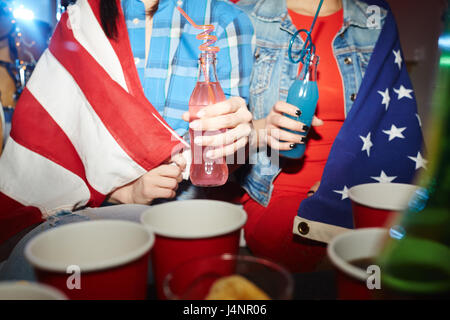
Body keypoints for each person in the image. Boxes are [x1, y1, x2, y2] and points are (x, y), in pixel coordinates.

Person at [0, 0, 254, 278]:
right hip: (96, 222)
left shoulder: (225, 21)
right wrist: (124, 191)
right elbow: (55, 148)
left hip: (191, 224)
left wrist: (237, 143)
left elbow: (229, 165)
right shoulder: (84, 20)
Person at [236, 0, 424, 272]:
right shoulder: (247, 16)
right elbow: (214, 135)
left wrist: (338, 186)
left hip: (357, 183)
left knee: (406, 246)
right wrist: (259, 128)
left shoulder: (375, 21)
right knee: (311, 250)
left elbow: (394, 124)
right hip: (274, 192)